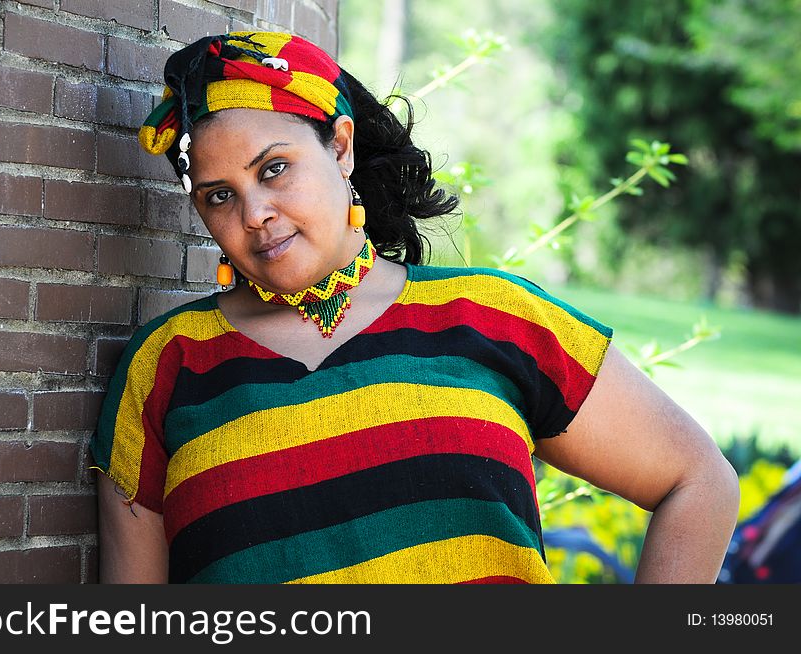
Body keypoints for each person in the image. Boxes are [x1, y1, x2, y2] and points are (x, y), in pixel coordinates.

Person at [90, 31, 740, 584]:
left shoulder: (494, 317)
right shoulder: (165, 367)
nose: (255, 214)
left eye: (274, 169)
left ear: (339, 147)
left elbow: (697, 479)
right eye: (218, 197)